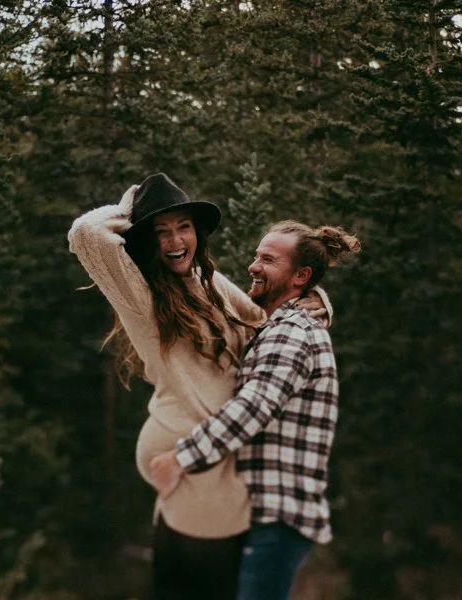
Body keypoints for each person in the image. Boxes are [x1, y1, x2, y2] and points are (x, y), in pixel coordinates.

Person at [67, 174, 331, 600]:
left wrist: (316, 302)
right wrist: (131, 206)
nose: (174, 240)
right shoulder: (142, 291)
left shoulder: (206, 280)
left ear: (197, 233)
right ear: (146, 240)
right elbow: (84, 234)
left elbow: (264, 318)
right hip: (196, 460)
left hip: (199, 460)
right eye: (161, 230)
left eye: (183, 226)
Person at [149, 219, 361, 600]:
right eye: (255, 255)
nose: (253, 266)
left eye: (268, 259)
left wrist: (180, 459)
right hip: (260, 516)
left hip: (275, 516)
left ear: (301, 277)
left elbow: (252, 408)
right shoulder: (279, 326)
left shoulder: (292, 332)